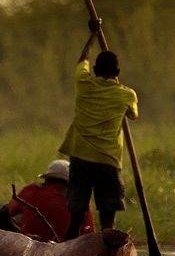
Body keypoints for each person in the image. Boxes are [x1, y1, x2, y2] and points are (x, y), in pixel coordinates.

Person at [59, 19, 138, 237]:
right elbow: (133, 115)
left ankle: (68, 250)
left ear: (94, 70)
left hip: (81, 158)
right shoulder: (127, 94)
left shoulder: (84, 84)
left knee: (76, 216)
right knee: (107, 219)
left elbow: (82, 59)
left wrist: (93, 35)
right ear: (118, 71)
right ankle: (106, 242)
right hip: (108, 161)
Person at [0, 159, 89, 240]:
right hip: (69, 246)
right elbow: (89, 230)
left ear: (47, 178)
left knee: (3, 212)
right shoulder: (80, 199)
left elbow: (10, 210)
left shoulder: (32, 190)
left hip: (32, 243)